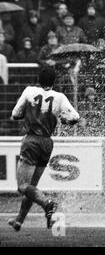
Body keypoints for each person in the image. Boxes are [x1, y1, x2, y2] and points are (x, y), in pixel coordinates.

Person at [8, 68, 80, 231]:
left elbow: (15, 114)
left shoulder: (29, 91)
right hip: (47, 143)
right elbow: (75, 117)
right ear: (53, 82)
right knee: (32, 186)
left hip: (32, 140)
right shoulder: (60, 97)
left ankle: (47, 203)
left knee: (22, 186)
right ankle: (19, 220)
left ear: (38, 80)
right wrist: (63, 120)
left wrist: (28, 113)